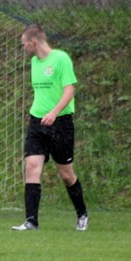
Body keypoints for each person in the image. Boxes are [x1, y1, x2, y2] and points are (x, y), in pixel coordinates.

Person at [13, 24, 88, 231]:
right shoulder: (34, 62)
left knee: (66, 174)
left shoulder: (61, 59)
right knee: (31, 166)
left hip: (60, 123)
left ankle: (82, 214)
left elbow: (69, 91)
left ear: (33, 42)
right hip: (37, 122)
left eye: (23, 44)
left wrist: (54, 113)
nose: (23, 48)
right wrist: (40, 114)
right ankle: (31, 221)